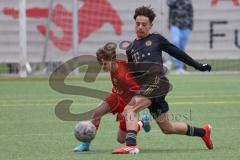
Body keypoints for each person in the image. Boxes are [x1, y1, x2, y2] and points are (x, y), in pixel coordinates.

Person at [111, 6, 213, 154]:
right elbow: (135, 76)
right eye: (137, 24)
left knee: (130, 109)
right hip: (147, 87)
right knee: (167, 128)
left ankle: (131, 146)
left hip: (158, 83)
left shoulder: (156, 39)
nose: (140, 27)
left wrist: (198, 66)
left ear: (151, 25)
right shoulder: (131, 49)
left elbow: (177, 53)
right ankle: (203, 132)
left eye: (144, 24)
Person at [73, 43, 151, 152]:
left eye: (105, 64)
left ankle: (142, 122)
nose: (103, 67)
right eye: (101, 64)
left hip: (128, 103)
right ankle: (86, 145)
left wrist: (129, 110)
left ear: (113, 60)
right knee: (97, 113)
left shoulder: (124, 76)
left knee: (121, 139)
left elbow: (139, 92)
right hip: (116, 97)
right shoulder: (114, 64)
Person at [166, 0, 193, 74]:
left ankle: (180, 68)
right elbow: (169, 3)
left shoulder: (188, 1)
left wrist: (190, 27)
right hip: (175, 24)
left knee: (181, 47)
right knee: (175, 41)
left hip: (186, 26)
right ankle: (169, 61)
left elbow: (190, 13)